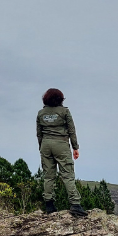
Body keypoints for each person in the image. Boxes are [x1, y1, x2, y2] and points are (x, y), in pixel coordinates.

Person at [36, 88, 87, 217]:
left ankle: (49, 205)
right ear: (60, 99)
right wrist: (75, 147)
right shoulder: (65, 112)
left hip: (46, 145)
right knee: (67, 175)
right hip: (61, 145)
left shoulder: (41, 113)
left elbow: (39, 133)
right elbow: (71, 130)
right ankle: (75, 204)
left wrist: (42, 147)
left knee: (48, 176)